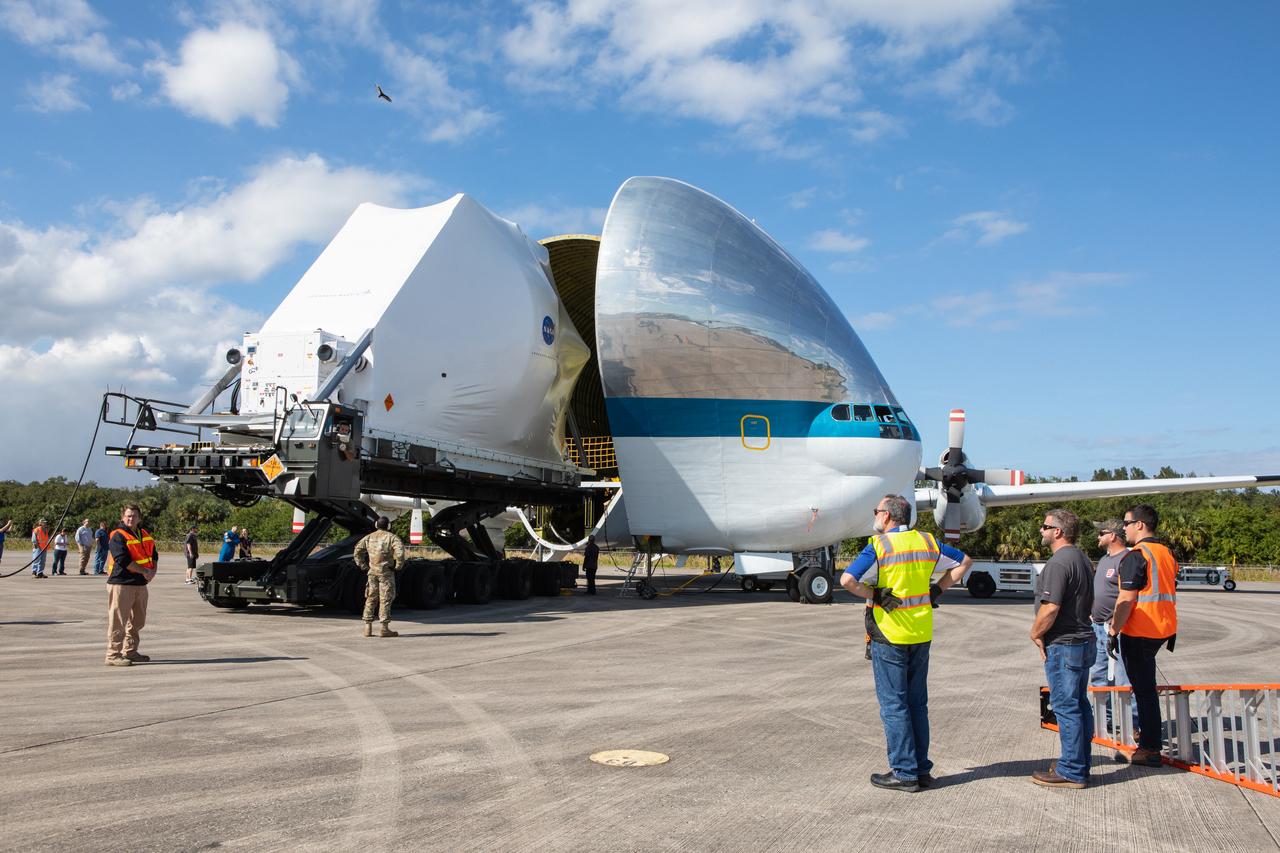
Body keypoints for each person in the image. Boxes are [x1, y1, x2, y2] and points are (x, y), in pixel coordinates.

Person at [839, 494, 971, 792]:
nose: (875, 515)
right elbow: (964, 562)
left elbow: (847, 580)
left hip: (890, 634)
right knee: (916, 704)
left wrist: (874, 594)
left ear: (887, 516)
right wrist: (937, 590)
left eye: (877, 511)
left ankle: (904, 772)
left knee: (893, 705)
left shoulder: (879, 546)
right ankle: (921, 769)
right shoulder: (927, 542)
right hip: (921, 632)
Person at [1029, 508, 1096, 789]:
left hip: (1065, 644)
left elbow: (1051, 607)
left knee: (1067, 708)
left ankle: (1071, 771)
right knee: (1079, 704)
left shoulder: (1058, 563)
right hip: (1082, 640)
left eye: (1045, 527)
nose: (1041, 531)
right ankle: (1079, 763)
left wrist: (1035, 632)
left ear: (1057, 531)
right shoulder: (1081, 557)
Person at [1109, 503, 1179, 767]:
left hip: (1140, 631)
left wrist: (1113, 630)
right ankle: (1148, 740)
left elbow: (1126, 600)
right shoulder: (1166, 553)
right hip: (1162, 628)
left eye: (1126, 523)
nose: (1123, 529)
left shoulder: (1136, 555)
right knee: (1146, 690)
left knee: (1144, 691)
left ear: (1139, 524)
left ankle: (1149, 748)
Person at [1090, 519, 1136, 734]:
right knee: (1098, 675)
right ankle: (1101, 721)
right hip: (1097, 627)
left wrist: (1115, 626)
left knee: (1124, 678)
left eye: (1102, 532)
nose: (1098, 536)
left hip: (1116, 629)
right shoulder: (1104, 559)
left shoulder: (1126, 559)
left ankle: (1134, 725)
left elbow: (1128, 596)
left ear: (1114, 536)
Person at [105, 504, 157, 666]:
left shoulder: (144, 534)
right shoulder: (117, 535)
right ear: (122, 517)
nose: (131, 518)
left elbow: (154, 554)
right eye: (128, 515)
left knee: (138, 621)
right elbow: (123, 560)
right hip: (122, 583)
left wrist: (152, 571)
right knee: (118, 620)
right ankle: (113, 655)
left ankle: (130, 651)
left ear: (139, 518)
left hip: (140, 584)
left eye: (134, 516)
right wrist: (144, 571)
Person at [353, 516, 406, 637]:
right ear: (388, 526)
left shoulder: (368, 537)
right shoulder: (392, 538)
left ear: (376, 525)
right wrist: (397, 566)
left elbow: (357, 551)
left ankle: (368, 627)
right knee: (385, 599)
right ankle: (384, 628)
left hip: (372, 572)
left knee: (371, 597)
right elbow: (400, 553)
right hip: (386, 573)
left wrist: (363, 566)